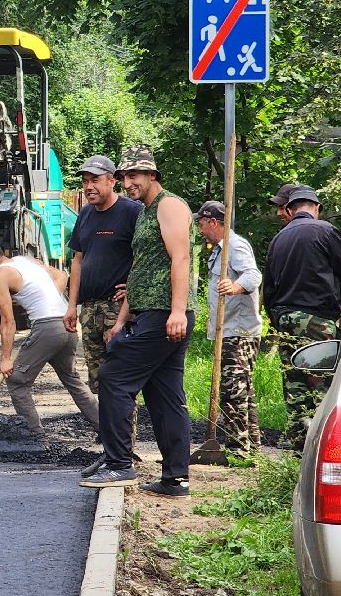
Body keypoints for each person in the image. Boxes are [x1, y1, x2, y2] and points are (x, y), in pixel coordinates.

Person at [80, 145, 194, 497]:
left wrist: (177, 311)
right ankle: (175, 477)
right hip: (147, 311)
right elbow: (141, 272)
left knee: (114, 377)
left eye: (135, 176)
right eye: (126, 176)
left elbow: (180, 259)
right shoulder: (145, 213)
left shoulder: (169, 205)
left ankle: (119, 466)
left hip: (164, 315)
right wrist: (122, 319)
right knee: (164, 396)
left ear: (151, 176)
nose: (129, 182)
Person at [0, 235, 100, 439]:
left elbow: (7, 322)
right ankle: (108, 430)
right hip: (66, 325)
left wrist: (5, 359)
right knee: (72, 380)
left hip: (48, 327)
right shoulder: (27, 260)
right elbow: (62, 275)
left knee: (17, 382)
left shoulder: (0, 276)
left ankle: (36, 438)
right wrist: (49, 299)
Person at [263, 184, 341, 451]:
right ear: (316, 208)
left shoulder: (279, 238)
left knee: (294, 383)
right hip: (316, 319)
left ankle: (297, 442)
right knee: (320, 384)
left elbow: (267, 288)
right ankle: (324, 446)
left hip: (284, 319)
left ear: (291, 209)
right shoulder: (325, 231)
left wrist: (275, 319)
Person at [62, 155, 144, 400]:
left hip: (117, 306)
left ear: (112, 181)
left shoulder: (132, 212)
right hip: (89, 309)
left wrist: (134, 287)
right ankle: (107, 432)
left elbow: (147, 255)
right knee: (97, 379)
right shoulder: (85, 214)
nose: (89, 187)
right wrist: (71, 306)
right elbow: (77, 260)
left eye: (95, 180)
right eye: (86, 181)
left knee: (120, 378)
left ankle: (125, 436)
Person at [194, 200, 263, 456]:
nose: (200, 230)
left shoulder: (235, 245)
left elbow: (253, 276)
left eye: (202, 224)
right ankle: (250, 446)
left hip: (240, 333)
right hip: (229, 330)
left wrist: (235, 287)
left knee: (233, 391)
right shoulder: (219, 250)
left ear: (214, 222)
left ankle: (237, 449)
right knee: (242, 388)